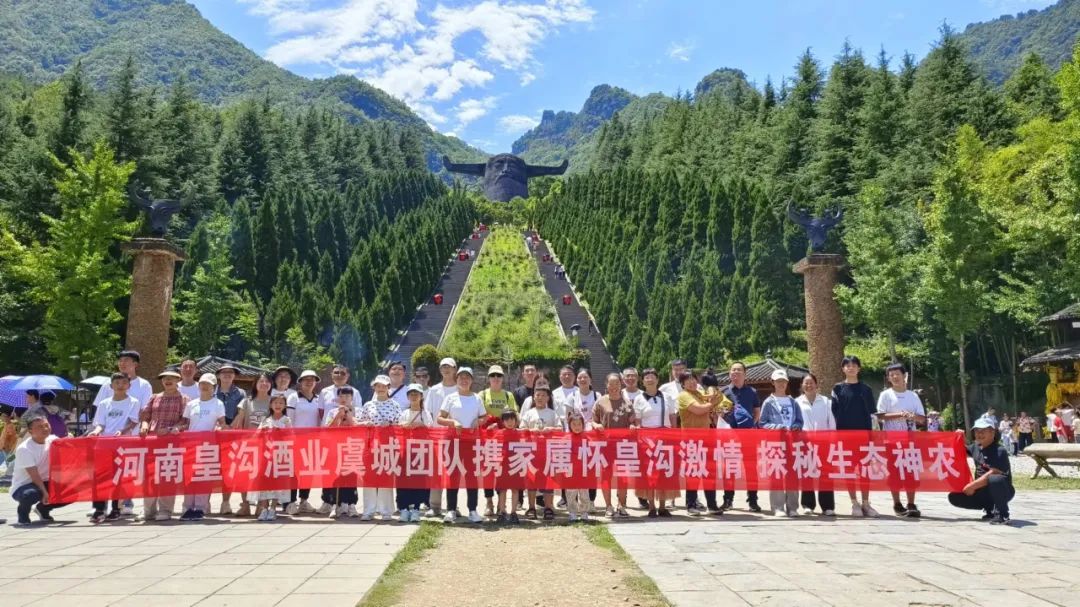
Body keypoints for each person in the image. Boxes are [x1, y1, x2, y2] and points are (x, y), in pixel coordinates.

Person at [831, 355, 879, 518]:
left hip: (864, 436)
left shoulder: (866, 389)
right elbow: (834, 413)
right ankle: (854, 503)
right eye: (847, 365)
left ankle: (866, 503)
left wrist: (873, 435)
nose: (850, 368)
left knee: (865, 470)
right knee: (849, 470)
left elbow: (872, 414)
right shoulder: (837, 389)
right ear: (843, 369)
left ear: (859, 368)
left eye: (854, 365)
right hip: (845, 437)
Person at [88, 373, 140, 523]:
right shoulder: (104, 403)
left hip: (123, 445)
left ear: (129, 385)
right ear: (111, 386)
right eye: (117, 382)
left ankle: (116, 509)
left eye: (124, 382)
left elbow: (133, 421)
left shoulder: (133, 402)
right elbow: (100, 424)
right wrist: (96, 431)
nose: (120, 385)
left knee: (118, 477)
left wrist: (122, 431)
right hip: (104, 445)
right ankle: (99, 509)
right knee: (100, 477)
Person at [877, 363, 926, 518]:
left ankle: (911, 503)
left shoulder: (913, 396)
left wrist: (912, 416)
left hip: (910, 440)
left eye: (897, 374)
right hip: (892, 441)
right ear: (888, 378)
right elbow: (880, 415)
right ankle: (897, 503)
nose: (895, 377)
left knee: (911, 471)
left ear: (904, 376)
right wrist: (900, 415)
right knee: (895, 472)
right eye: (891, 375)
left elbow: (922, 419)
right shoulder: (885, 395)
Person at [677, 371, 730, 515]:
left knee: (709, 473)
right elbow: (699, 410)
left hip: (707, 439)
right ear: (682, 384)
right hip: (691, 441)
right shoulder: (684, 396)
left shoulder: (700, 394)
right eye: (687, 380)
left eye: (693, 379)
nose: (691, 382)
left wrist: (714, 393)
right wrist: (712, 403)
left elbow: (717, 398)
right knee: (693, 474)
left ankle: (712, 505)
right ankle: (691, 505)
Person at [439, 367, 487, 523]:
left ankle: (472, 510)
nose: (464, 380)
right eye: (461, 377)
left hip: (471, 442)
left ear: (472, 380)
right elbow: (440, 418)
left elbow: (484, 417)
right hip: (453, 441)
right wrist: (452, 422)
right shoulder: (450, 398)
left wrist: (478, 421)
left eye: (467, 377)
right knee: (453, 475)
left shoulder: (476, 398)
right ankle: (451, 510)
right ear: (456, 380)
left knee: (471, 476)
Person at [140, 370, 189, 521]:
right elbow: (145, 415)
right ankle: (148, 510)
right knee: (149, 475)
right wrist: (144, 425)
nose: (168, 381)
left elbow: (185, 421)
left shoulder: (184, 399)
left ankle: (165, 510)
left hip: (171, 442)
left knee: (167, 475)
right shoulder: (154, 397)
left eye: (171, 379)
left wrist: (169, 429)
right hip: (152, 440)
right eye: (165, 379)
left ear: (178, 381)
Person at [948, 418, 1014, 525]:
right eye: (977, 431)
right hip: (981, 492)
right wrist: (959, 436)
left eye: (983, 431)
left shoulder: (1000, 451)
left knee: (995, 479)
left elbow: (994, 472)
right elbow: (961, 450)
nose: (979, 434)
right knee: (954, 496)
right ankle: (989, 509)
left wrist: (972, 486)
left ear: (992, 432)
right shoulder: (976, 447)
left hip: (1003, 490)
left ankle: (1002, 514)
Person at [179, 373, 226, 521]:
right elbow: (185, 423)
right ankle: (187, 507)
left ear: (214, 387)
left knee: (203, 477)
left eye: (208, 384)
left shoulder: (218, 404)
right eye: (202, 384)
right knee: (189, 477)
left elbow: (222, 422)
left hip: (208, 446)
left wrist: (219, 427)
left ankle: (200, 507)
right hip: (191, 445)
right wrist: (176, 429)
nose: (205, 386)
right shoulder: (191, 404)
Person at [593, 372, 640, 517]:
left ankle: (622, 505)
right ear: (606, 385)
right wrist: (596, 425)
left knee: (623, 477)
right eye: (611, 384)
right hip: (605, 445)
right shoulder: (600, 402)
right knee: (606, 476)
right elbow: (593, 420)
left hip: (623, 445)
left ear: (621, 385)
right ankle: (608, 506)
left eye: (617, 384)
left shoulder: (627, 403)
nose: (614, 387)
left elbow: (633, 422)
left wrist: (632, 426)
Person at [759, 370, 804, 517]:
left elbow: (799, 421)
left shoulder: (793, 402)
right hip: (776, 443)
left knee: (792, 474)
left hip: (792, 442)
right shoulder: (768, 402)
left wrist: (796, 426)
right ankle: (778, 507)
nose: (781, 384)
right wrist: (778, 427)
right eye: (778, 381)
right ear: (773, 383)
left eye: (783, 381)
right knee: (776, 473)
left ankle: (793, 507)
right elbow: (762, 423)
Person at [633, 368, 678, 517]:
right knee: (649, 472)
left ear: (658, 380)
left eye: (652, 376)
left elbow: (672, 416)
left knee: (664, 471)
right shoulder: (639, 399)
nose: (650, 379)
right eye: (646, 377)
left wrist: (674, 434)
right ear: (643, 381)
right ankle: (651, 506)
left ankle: (663, 506)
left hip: (665, 439)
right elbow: (638, 421)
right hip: (647, 441)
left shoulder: (667, 397)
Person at [11, 414, 68, 526]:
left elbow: (70, 446)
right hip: (24, 486)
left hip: (46, 481)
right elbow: (34, 475)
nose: (45, 429)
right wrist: (45, 492)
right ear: (30, 431)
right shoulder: (24, 449)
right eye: (40, 427)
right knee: (31, 494)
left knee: (71, 491)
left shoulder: (53, 440)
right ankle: (23, 515)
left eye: (46, 425)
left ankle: (42, 509)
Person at [721, 361, 762, 512]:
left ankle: (753, 500)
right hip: (730, 435)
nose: (736, 373)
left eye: (739, 370)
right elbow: (719, 413)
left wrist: (751, 425)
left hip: (748, 435)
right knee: (729, 468)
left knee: (751, 468)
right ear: (729, 373)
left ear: (745, 374)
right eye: (733, 370)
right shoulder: (724, 392)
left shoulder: (752, 391)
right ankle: (728, 500)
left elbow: (757, 411)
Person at [478, 365, 517, 516]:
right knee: (488, 471)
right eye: (493, 375)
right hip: (488, 440)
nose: (496, 378)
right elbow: (478, 415)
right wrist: (488, 424)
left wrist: (501, 426)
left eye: (499, 375)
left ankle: (502, 504)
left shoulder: (508, 395)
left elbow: (514, 416)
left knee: (503, 472)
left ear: (502, 378)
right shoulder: (482, 394)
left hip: (505, 440)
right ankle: (489, 502)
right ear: (488, 378)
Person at [358, 376, 399, 521]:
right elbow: (359, 422)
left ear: (388, 388)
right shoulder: (368, 405)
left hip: (387, 446)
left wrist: (390, 424)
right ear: (374, 387)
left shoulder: (394, 405)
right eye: (378, 386)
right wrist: (366, 424)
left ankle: (386, 511)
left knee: (385, 476)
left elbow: (400, 424)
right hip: (370, 445)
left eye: (384, 386)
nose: (381, 389)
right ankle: (368, 510)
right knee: (369, 477)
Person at [423, 357, 458, 517]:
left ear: (455, 369)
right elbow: (428, 413)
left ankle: (453, 506)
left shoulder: (460, 389)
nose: (446, 369)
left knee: (453, 472)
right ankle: (435, 505)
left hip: (455, 437)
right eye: (443, 367)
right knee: (436, 471)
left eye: (449, 367)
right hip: (437, 436)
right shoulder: (434, 390)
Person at [520, 385, 561, 521]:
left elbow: (560, 429)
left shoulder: (552, 413)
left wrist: (550, 429)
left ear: (548, 398)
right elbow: (521, 430)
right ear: (533, 397)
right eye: (537, 395)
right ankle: (531, 508)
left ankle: (548, 507)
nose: (540, 398)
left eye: (543, 395)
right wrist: (531, 431)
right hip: (531, 453)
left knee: (549, 480)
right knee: (531, 480)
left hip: (548, 452)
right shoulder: (529, 413)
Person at [797, 373, 836, 516]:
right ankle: (808, 504)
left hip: (824, 442)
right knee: (807, 473)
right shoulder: (797, 402)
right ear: (802, 385)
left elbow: (831, 422)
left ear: (816, 384)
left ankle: (827, 506)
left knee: (825, 473)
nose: (809, 385)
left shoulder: (826, 401)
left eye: (811, 382)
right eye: (806, 383)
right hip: (804, 442)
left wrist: (832, 439)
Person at [286, 369, 324, 515]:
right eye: (306, 379)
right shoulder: (293, 397)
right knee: (293, 472)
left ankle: (304, 500)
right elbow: (289, 419)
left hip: (313, 441)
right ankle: (290, 502)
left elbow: (320, 419)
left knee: (308, 472)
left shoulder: (318, 399)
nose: (309, 382)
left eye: (312, 379)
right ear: (300, 382)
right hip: (296, 440)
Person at [215, 364, 248, 516]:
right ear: (218, 375)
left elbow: (242, 412)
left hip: (236, 434)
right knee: (222, 470)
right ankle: (225, 502)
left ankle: (245, 504)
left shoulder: (241, 393)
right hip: (217, 433)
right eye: (224, 372)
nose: (227, 375)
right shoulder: (213, 391)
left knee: (240, 468)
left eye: (231, 372)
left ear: (234, 376)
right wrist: (221, 425)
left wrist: (231, 426)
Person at [398, 384, 433, 523]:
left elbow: (431, 430)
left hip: (420, 451)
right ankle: (404, 509)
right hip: (405, 451)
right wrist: (405, 426)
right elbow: (398, 429)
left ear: (421, 396)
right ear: (407, 396)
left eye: (416, 394)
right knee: (403, 481)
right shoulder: (404, 413)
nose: (413, 396)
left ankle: (416, 509)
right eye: (411, 394)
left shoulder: (426, 413)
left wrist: (421, 425)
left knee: (419, 481)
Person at [325, 386, 361, 519]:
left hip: (352, 447)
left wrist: (349, 415)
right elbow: (329, 428)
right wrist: (338, 416)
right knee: (335, 477)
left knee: (351, 476)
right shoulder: (332, 411)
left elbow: (358, 428)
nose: (344, 399)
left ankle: (352, 504)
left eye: (347, 396)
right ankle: (335, 505)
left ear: (352, 398)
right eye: (341, 396)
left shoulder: (358, 411)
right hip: (336, 447)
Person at [254, 395, 292, 522]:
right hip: (265, 455)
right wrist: (262, 432)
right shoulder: (266, 420)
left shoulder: (286, 420)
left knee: (277, 483)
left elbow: (291, 436)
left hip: (280, 455)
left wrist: (280, 432)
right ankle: (264, 508)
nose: (278, 405)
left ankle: (273, 508)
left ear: (284, 406)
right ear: (271, 405)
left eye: (281, 403)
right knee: (264, 482)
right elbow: (256, 436)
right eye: (275, 403)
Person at [565, 412, 591, 522]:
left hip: (583, 471)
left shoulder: (587, 438)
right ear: (569, 425)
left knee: (584, 492)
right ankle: (572, 512)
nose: (577, 427)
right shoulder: (566, 438)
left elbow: (591, 454)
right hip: (571, 471)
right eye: (574, 424)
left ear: (583, 425)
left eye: (579, 424)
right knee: (571, 492)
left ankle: (584, 512)